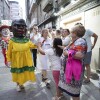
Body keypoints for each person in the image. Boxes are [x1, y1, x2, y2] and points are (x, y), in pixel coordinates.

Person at [6, 19, 37, 92]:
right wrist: (9, 60)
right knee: (18, 72)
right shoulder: (12, 40)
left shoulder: (26, 40)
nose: (21, 28)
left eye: (23, 26)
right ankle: (18, 84)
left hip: (25, 60)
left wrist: (37, 45)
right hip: (16, 60)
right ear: (11, 28)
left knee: (23, 72)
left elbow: (32, 46)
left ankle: (21, 84)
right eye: (17, 26)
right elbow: (9, 51)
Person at [58, 25, 87, 100]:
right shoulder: (75, 41)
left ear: (75, 33)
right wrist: (64, 49)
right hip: (69, 71)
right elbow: (70, 49)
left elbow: (80, 55)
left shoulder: (81, 41)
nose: (70, 32)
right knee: (73, 93)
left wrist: (67, 53)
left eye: (72, 30)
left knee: (75, 94)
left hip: (74, 72)